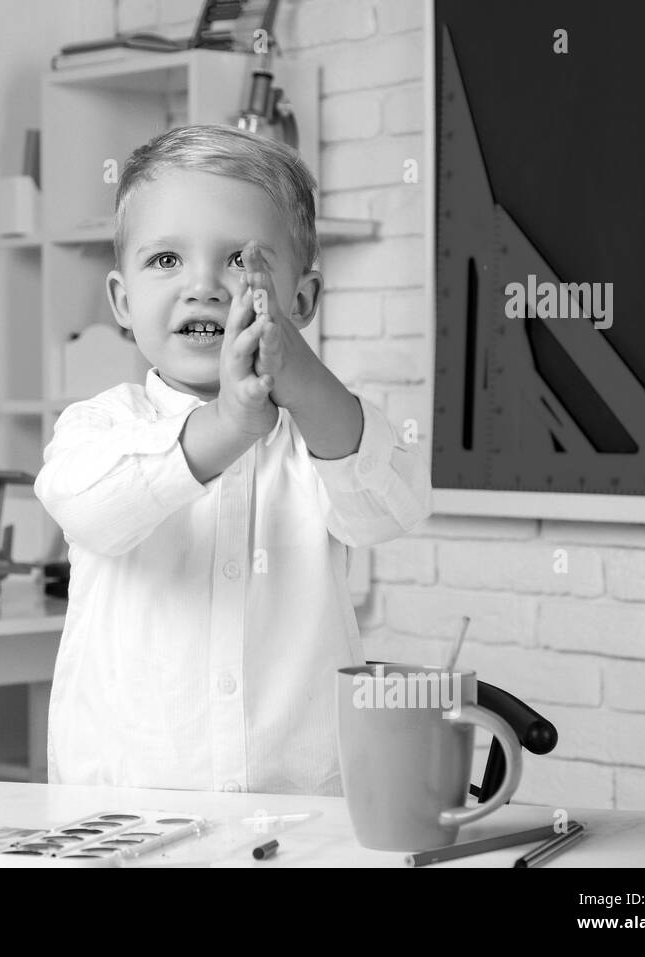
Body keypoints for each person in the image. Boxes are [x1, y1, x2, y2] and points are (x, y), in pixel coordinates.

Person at [34, 124, 433, 796]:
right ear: (122, 301)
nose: (203, 287)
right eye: (165, 260)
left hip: (306, 819)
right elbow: (91, 505)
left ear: (300, 301)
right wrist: (226, 424)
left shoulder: (319, 435)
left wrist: (299, 379)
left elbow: (389, 506)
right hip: (124, 818)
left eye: (240, 261)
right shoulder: (101, 424)